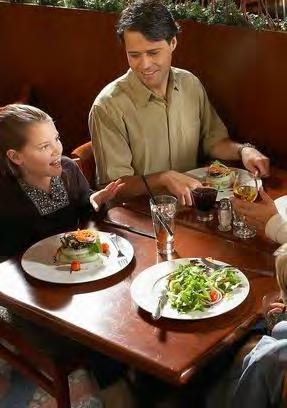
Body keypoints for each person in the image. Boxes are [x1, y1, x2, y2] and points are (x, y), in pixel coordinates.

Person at [89, 0, 269, 206]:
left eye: (153, 52)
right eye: (134, 55)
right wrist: (163, 178)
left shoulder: (190, 84)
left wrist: (244, 150)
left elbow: (214, 141)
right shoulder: (107, 106)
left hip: (193, 205)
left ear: (173, 43)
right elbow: (113, 188)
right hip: (140, 215)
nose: (145, 64)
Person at [0, 103, 124, 257]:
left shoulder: (68, 168)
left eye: (56, 139)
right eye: (44, 146)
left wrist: (95, 200)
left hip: (73, 263)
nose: (57, 150)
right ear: (15, 156)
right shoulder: (6, 194)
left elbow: (85, 208)